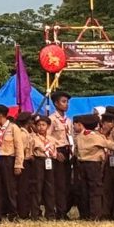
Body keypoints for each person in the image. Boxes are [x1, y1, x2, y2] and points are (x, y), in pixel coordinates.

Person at [0, 105, 24, 223]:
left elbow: (19, 147)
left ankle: (13, 214)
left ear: (0, 115)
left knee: (10, 188)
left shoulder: (13, 128)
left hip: (8, 159)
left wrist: (18, 164)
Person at [74, 115, 112, 221]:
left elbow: (75, 151)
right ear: (96, 125)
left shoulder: (79, 136)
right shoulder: (95, 137)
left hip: (82, 163)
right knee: (95, 189)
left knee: (84, 189)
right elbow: (110, 145)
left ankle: (85, 213)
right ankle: (95, 214)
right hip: (93, 165)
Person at [47, 91, 73, 219]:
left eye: (67, 102)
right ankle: (60, 211)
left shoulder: (68, 120)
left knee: (67, 182)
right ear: (56, 103)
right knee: (59, 183)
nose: (66, 104)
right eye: (63, 101)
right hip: (58, 151)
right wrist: (55, 153)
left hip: (68, 150)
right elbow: (46, 137)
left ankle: (65, 209)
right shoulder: (52, 119)